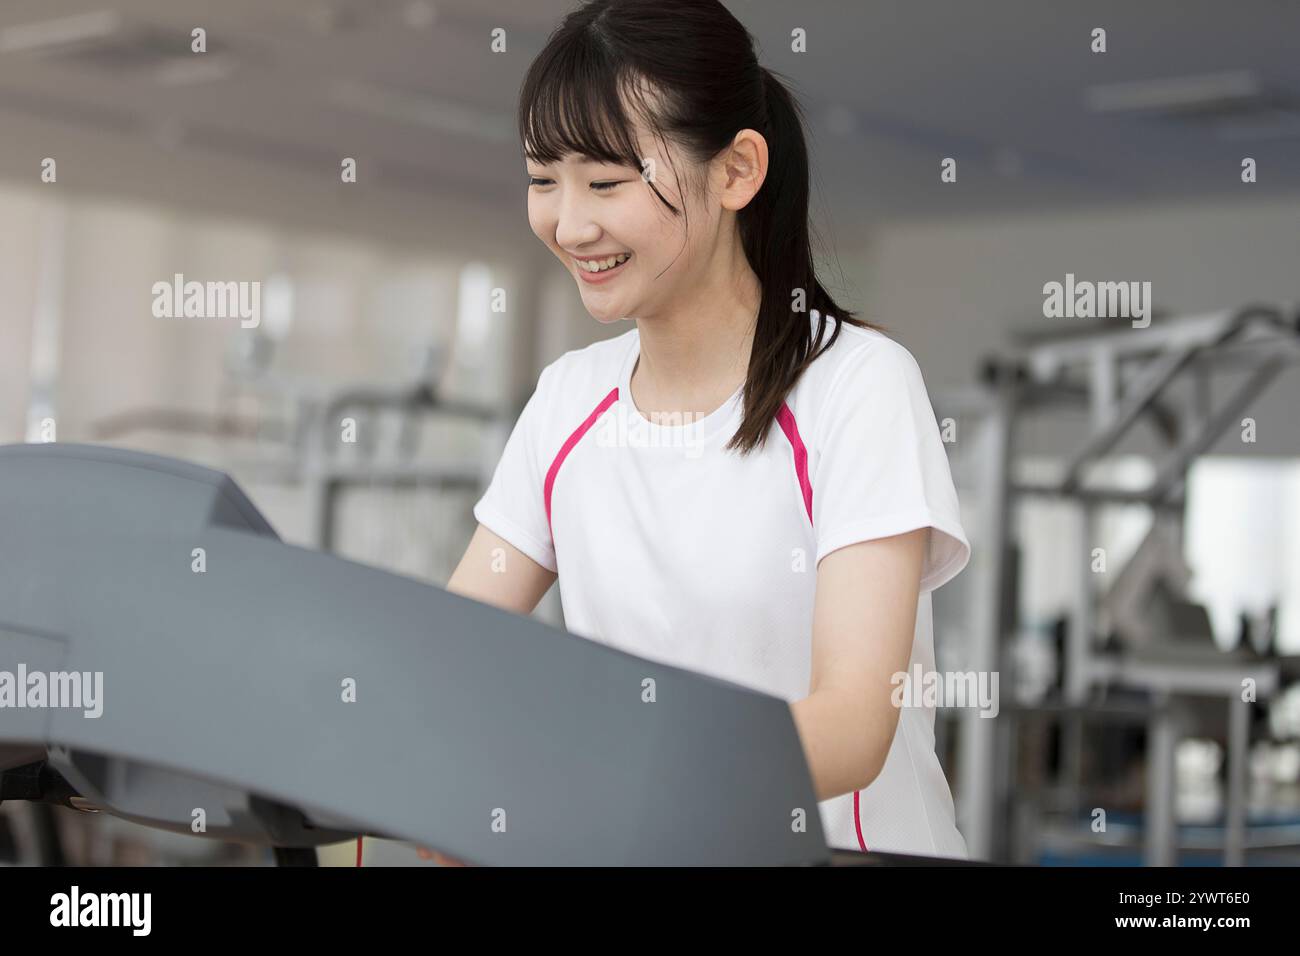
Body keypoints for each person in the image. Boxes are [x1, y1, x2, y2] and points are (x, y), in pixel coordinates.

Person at [441, 0, 971, 863]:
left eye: (607, 183)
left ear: (736, 171)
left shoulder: (857, 388)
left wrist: (584, 780)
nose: (570, 225)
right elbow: (445, 652)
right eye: (545, 179)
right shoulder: (568, 402)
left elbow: (849, 727)